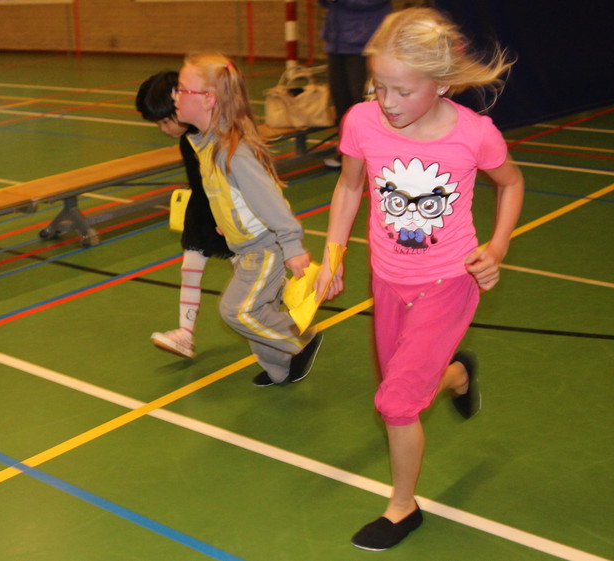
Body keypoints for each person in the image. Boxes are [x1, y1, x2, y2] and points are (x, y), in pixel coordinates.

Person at [314, 7, 524, 550]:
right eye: (378, 86)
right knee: (405, 389)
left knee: (396, 404)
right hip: (387, 280)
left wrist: (497, 246)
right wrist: (333, 254)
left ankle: (403, 507)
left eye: (403, 91)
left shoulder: (473, 134)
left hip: (448, 282)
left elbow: (511, 182)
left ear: (442, 83)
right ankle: (456, 376)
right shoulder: (361, 122)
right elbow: (350, 187)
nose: (388, 102)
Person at [173, 53, 323, 386]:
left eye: (182, 89)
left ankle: (299, 340)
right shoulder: (208, 144)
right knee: (256, 313)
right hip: (242, 246)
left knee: (237, 310)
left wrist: (292, 245)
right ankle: (281, 370)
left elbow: (269, 200)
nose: (176, 96)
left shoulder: (233, 151)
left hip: (264, 246)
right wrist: (226, 222)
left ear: (209, 99)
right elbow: (225, 194)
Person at [135, 71, 233, 359]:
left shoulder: (211, 135)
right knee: (189, 270)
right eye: (158, 124)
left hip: (226, 213)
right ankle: (185, 335)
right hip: (201, 211)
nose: (163, 129)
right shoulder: (186, 140)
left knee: (249, 271)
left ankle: (289, 303)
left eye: (166, 121)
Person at [320, 0, 391, 168]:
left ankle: (373, 154)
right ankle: (347, 153)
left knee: (363, 101)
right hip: (336, 40)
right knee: (341, 101)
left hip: (365, 41)